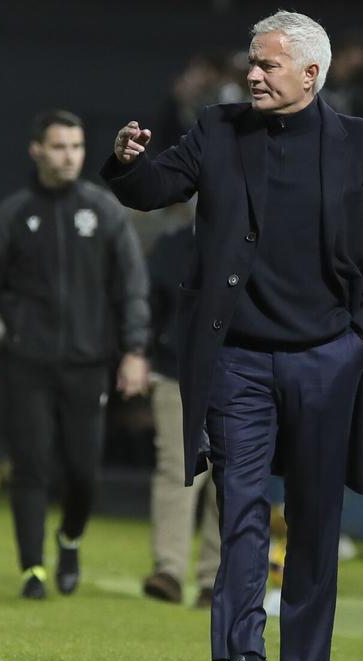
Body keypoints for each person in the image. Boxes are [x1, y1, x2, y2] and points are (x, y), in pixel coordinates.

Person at [101, 11, 363, 661]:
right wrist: (127, 165)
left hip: (327, 359)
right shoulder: (218, 128)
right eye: (252, 61)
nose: (252, 74)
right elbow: (156, 187)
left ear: (311, 73)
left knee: (313, 518)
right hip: (237, 359)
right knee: (239, 508)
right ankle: (244, 654)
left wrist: (358, 344)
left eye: (267, 64)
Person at [0, 109, 151, 599]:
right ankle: (32, 570)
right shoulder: (14, 213)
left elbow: (132, 286)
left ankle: (69, 539)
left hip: (89, 366)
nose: (69, 156)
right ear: (37, 151)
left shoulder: (103, 211)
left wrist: (134, 349)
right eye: (59, 146)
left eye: (76, 147)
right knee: (31, 467)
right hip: (27, 363)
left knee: (84, 474)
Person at [141, 219, 221, 608]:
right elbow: (149, 303)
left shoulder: (260, 236)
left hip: (238, 372)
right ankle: (169, 570)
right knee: (178, 469)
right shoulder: (173, 242)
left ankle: (215, 580)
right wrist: (139, 352)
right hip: (176, 369)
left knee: (230, 476)